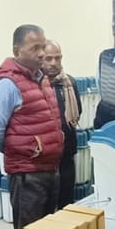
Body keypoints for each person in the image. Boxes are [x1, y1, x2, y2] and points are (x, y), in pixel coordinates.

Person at [0, 25, 64, 229]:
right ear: (17, 50)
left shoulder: (42, 79)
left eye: (43, 47)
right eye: (34, 48)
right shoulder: (8, 84)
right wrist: (22, 149)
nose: (41, 53)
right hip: (27, 175)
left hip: (49, 169)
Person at [41, 39, 82, 208]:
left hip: (67, 151)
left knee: (66, 201)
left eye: (57, 58)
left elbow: (78, 111)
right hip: (45, 156)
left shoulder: (69, 83)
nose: (54, 63)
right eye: (49, 58)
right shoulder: (35, 85)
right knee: (45, 205)